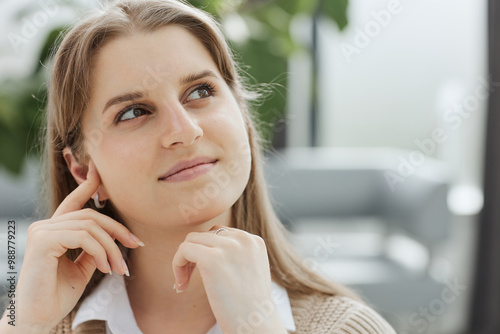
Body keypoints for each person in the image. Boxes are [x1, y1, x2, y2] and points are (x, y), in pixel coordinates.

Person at [0, 0, 396, 333]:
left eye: (200, 92)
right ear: (83, 171)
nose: (184, 131)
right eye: (134, 112)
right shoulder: (38, 324)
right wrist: (21, 324)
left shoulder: (345, 326)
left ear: (241, 116)